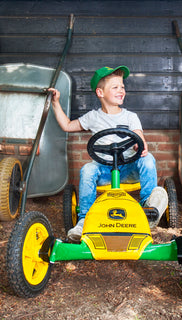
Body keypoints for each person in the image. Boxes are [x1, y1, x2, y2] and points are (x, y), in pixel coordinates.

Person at [49, 66, 168, 242]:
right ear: (100, 92)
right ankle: (84, 220)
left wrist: (139, 145)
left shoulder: (130, 117)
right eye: (115, 87)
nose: (121, 90)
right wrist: (55, 103)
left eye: (122, 87)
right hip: (103, 170)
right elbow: (67, 125)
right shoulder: (92, 117)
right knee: (88, 169)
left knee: (148, 159)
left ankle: (148, 209)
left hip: (128, 168)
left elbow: (139, 138)